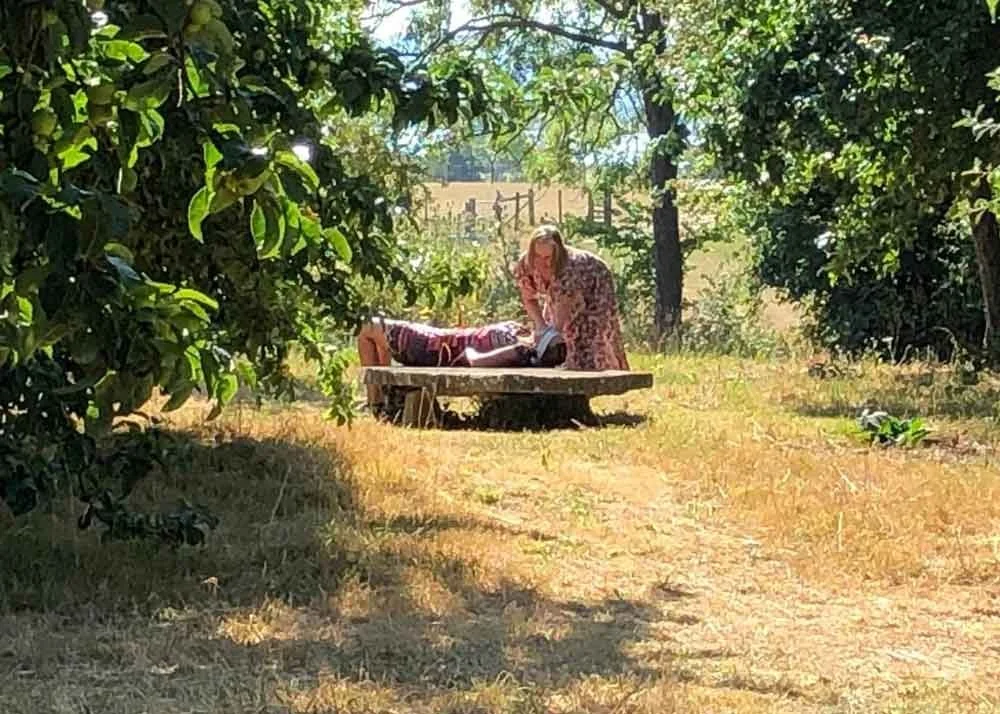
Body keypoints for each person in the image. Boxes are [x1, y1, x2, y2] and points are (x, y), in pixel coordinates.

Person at [357, 318, 566, 410]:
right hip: (440, 340)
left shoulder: (518, 350)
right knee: (371, 330)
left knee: (367, 327)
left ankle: (375, 401)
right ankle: (380, 398)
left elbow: (474, 360)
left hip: (434, 348)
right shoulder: (520, 339)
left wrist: (471, 347)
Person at [513, 224, 629, 371]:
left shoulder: (570, 266)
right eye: (538, 257)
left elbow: (564, 307)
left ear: (557, 253)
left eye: (548, 257)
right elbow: (529, 298)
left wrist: (553, 335)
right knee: (547, 334)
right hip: (558, 296)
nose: (544, 262)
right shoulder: (525, 265)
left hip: (594, 286)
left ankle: (587, 377)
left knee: (586, 336)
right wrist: (541, 327)